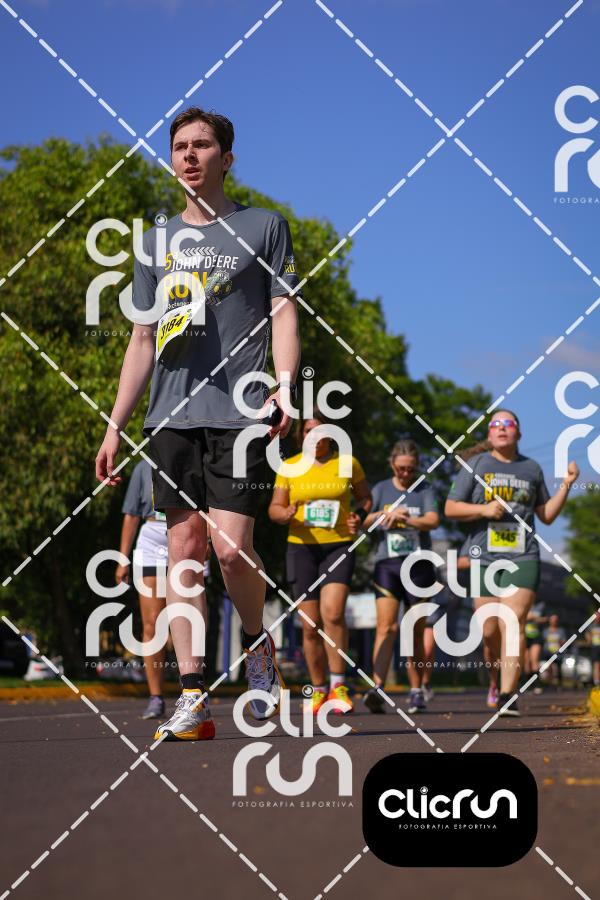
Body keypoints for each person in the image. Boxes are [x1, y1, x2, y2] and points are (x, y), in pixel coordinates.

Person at [95, 107, 301, 740]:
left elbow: (284, 312)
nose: (188, 155)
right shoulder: (154, 242)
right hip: (171, 416)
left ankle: (257, 646)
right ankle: (193, 695)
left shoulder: (263, 226)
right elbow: (141, 339)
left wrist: (285, 386)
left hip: (242, 412)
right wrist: (115, 425)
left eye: (201, 145)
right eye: (179, 146)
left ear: (226, 158)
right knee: (183, 551)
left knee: (232, 552)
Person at [445, 410, 578, 717]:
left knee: (513, 620)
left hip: (523, 555)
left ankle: (508, 694)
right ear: (489, 434)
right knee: (489, 629)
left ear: (518, 433)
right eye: (496, 424)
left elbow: (546, 515)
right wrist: (482, 510)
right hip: (484, 557)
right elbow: (450, 508)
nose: (502, 428)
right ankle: (496, 680)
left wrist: (567, 484)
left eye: (509, 424)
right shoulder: (476, 465)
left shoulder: (531, 468)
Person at [268, 410, 371, 715]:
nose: (314, 437)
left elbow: (365, 499)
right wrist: (285, 513)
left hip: (338, 545)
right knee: (310, 625)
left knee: (333, 614)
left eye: (320, 431)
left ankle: (339, 686)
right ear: (301, 435)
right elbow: (274, 508)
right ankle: (318, 689)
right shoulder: (290, 466)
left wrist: (359, 516)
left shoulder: (347, 464)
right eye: (308, 431)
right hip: (301, 549)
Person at [117, 460, 211, 719]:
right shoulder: (142, 467)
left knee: (192, 619)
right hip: (152, 537)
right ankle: (155, 697)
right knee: (152, 624)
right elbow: (131, 514)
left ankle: (194, 688)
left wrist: (210, 538)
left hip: (188, 530)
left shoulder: (196, 457)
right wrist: (122, 558)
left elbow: (210, 504)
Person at [361, 439, 440, 715]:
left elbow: (433, 520)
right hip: (388, 564)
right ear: (392, 464)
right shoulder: (382, 488)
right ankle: (377, 688)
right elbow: (364, 521)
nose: (406, 474)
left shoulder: (425, 489)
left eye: (411, 469)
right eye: (401, 469)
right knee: (386, 627)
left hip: (419, 566)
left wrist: (406, 519)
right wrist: (386, 513)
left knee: (414, 630)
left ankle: (416, 690)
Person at [524, 603, 547, 694]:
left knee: (534, 660)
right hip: (524, 637)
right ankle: (529, 685)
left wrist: (534, 618)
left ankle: (537, 685)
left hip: (535, 637)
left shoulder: (541, 606)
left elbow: (546, 619)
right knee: (526, 663)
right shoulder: (522, 605)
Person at [543, 614, 567, 688]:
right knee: (550, 668)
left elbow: (564, 641)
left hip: (558, 653)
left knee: (558, 669)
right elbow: (544, 641)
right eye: (552, 619)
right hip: (548, 652)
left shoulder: (561, 631)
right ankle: (550, 684)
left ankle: (559, 684)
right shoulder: (545, 631)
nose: (554, 621)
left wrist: (561, 643)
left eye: (556, 620)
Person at [588, 611, 600, 687]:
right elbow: (588, 637)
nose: (597, 618)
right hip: (595, 647)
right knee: (596, 665)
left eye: (598, 616)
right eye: (596, 616)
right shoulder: (590, 627)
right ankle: (596, 682)